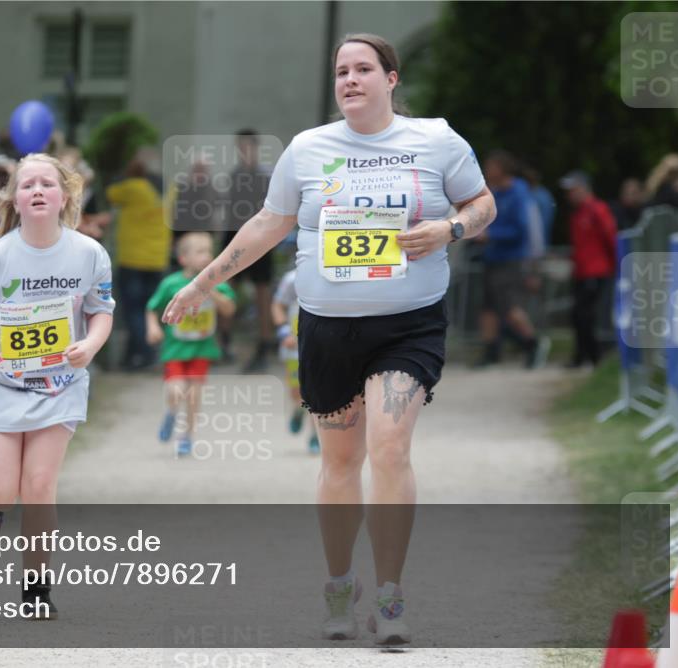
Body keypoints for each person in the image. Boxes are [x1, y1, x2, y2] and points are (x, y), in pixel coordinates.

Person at [162, 33, 495, 645]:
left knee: (390, 448)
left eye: (363, 69)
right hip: (326, 327)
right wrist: (203, 284)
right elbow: (269, 222)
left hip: (408, 324)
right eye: (341, 71)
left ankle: (391, 596)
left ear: (391, 79)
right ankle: (341, 582)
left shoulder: (436, 140)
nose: (350, 80)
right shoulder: (308, 149)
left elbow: (481, 203)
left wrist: (449, 227)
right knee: (340, 462)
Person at [0, 153, 114, 620]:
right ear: (16, 199)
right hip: (3, 384)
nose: (39, 190)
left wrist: (90, 344)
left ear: (65, 196)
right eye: (28, 186)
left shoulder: (88, 253)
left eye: (48, 183)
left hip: (59, 385)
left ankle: (36, 590)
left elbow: (101, 309)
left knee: (40, 485)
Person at [146, 232, 235, 456]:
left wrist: (209, 290)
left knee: (194, 395)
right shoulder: (171, 283)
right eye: (200, 252)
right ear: (183, 258)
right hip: (175, 347)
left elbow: (229, 309)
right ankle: (172, 411)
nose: (207, 256)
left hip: (202, 348)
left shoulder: (217, 281)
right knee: (176, 390)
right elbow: (151, 307)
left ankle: (186, 436)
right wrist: (153, 327)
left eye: (209, 251)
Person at [474, 150, 547, 369]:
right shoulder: (494, 192)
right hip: (492, 258)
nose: (487, 171)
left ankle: (533, 343)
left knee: (510, 308)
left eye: (491, 167)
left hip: (511, 260)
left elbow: (522, 230)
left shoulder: (519, 194)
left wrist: (490, 235)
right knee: (487, 308)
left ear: (502, 169)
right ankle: (491, 351)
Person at [106, 146, 172, 370]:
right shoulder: (169, 190)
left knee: (133, 309)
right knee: (149, 308)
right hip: (157, 259)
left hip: (133, 258)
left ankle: (147, 354)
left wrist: (126, 172)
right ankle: (135, 356)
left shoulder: (133, 187)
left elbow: (110, 194)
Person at [222, 129, 276, 370]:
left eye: (246, 147)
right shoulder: (234, 175)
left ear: (255, 148)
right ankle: (223, 342)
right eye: (239, 148)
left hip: (261, 240)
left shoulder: (265, 175)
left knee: (262, 293)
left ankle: (264, 344)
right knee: (227, 288)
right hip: (234, 238)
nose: (243, 152)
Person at [560, 170, 617, 368]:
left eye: (573, 190)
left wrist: (612, 265)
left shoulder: (597, 210)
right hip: (582, 271)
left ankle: (594, 357)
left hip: (596, 271)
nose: (569, 195)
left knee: (587, 315)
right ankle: (582, 356)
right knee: (578, 315)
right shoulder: (577, 213)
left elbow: (610, 238)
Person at [271, 268, 319, 454]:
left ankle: (315, 436)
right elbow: (277, 305)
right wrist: (283, 332)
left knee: (320, 393)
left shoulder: (337, 272)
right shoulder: (292, 278)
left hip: (323, 346)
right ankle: (299, 410)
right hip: (294, 347)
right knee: (298, 393)